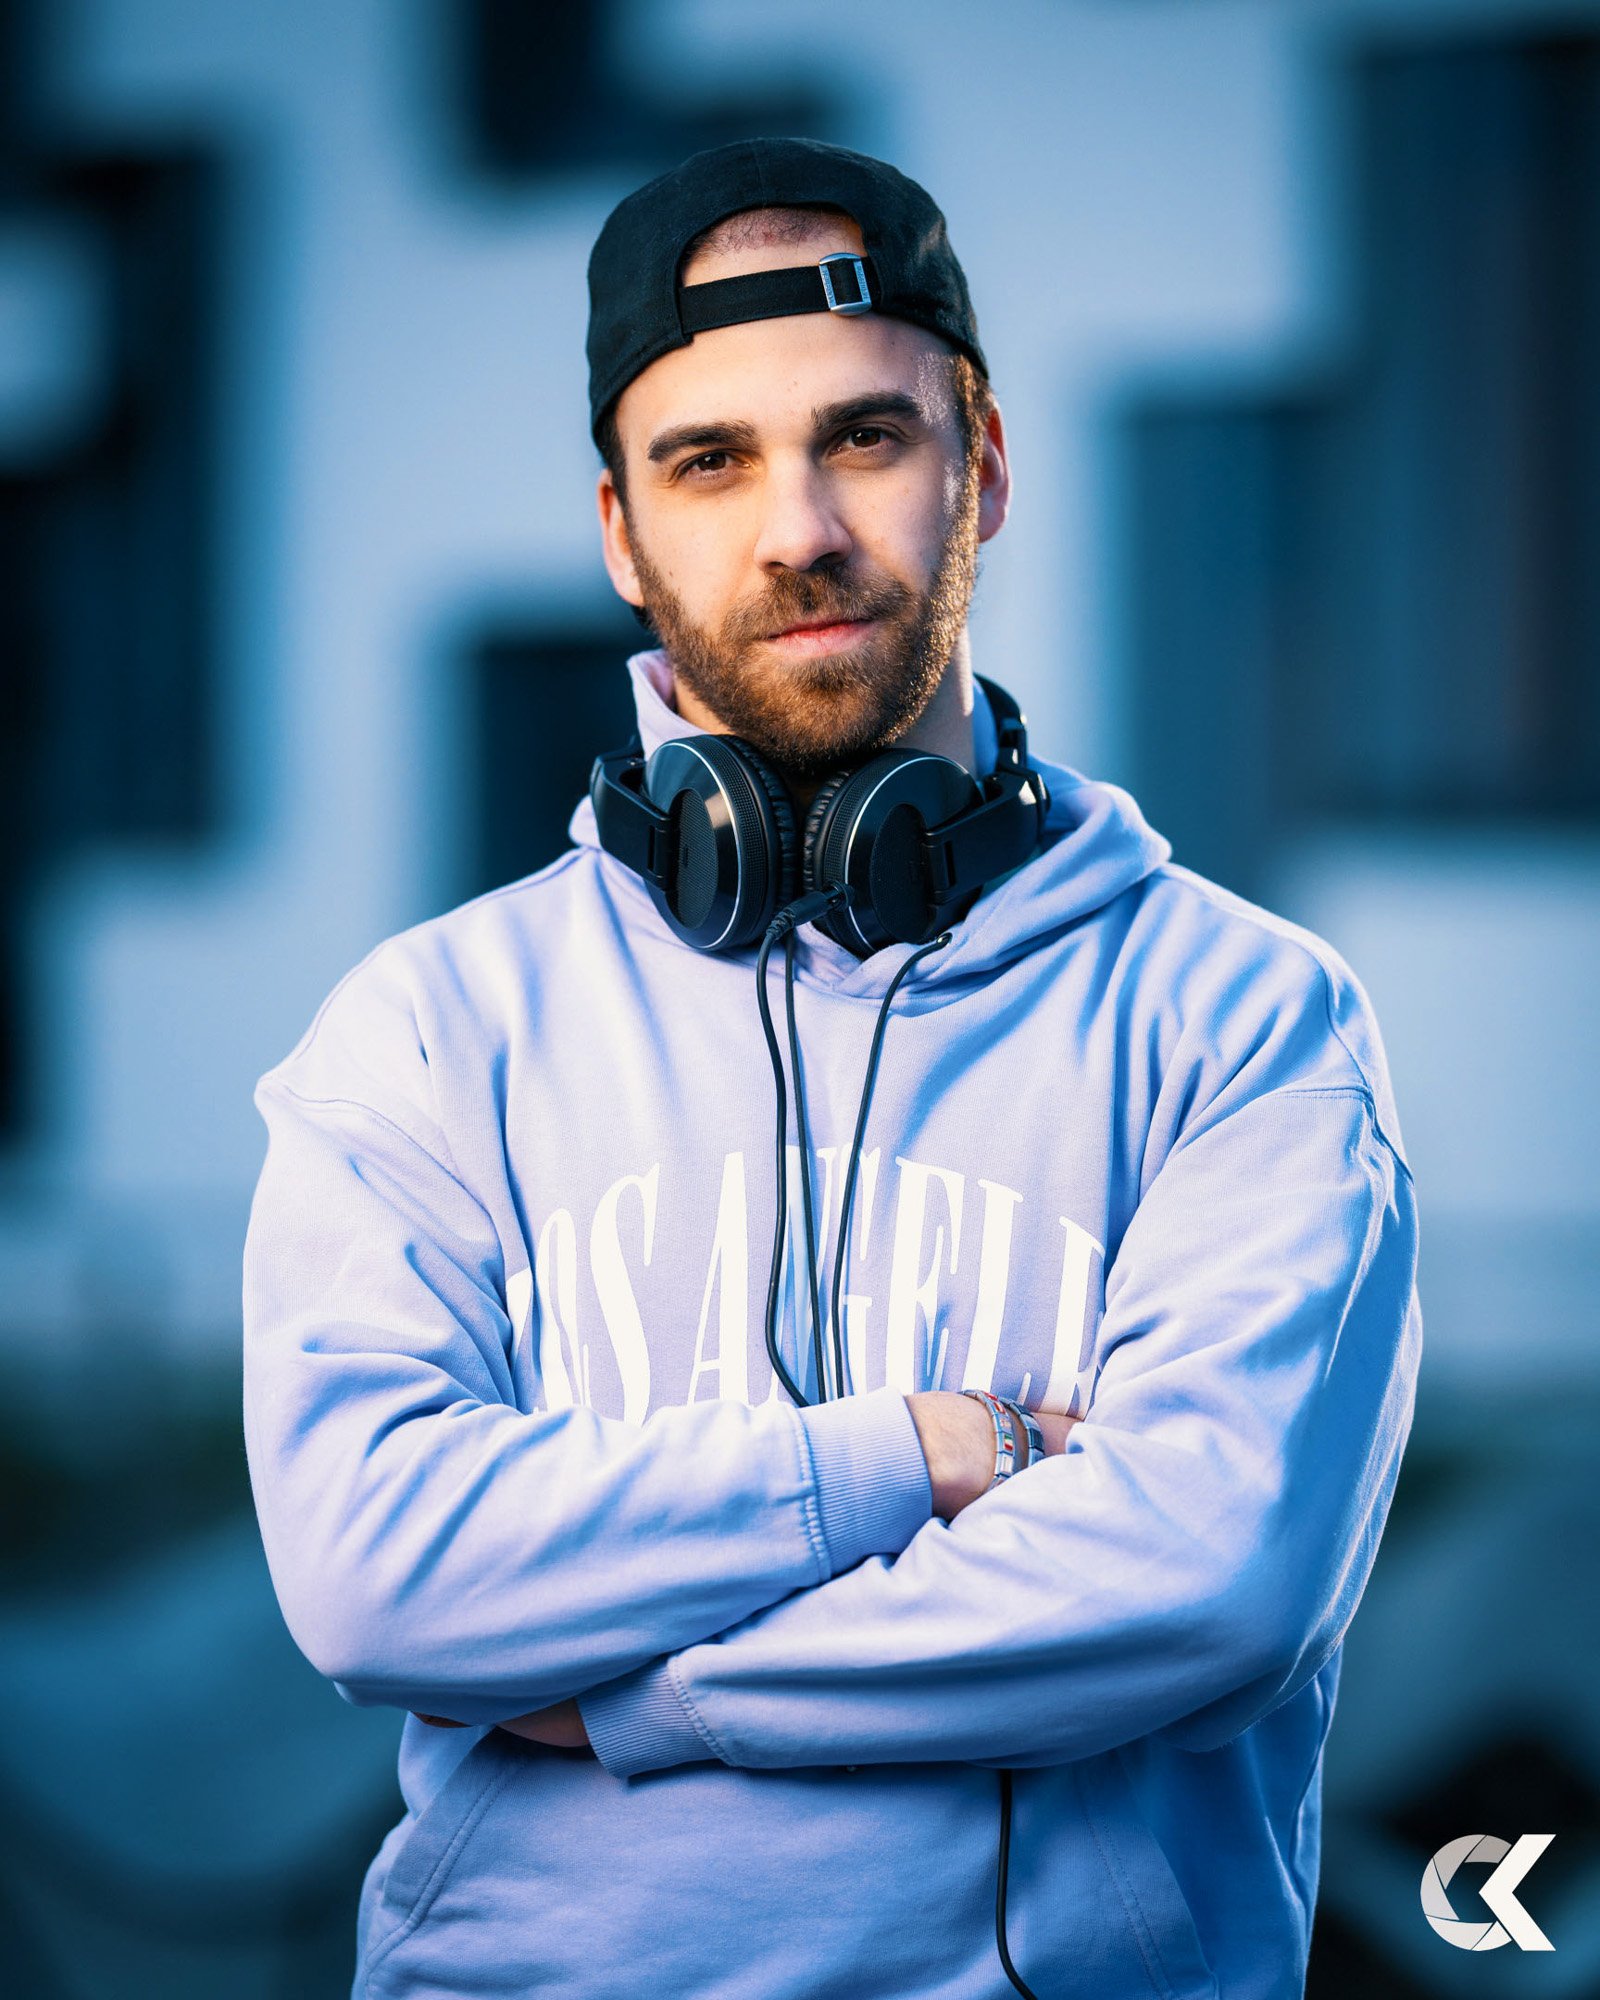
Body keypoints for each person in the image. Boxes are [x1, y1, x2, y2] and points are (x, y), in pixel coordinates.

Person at [242, 137, 1423, 2000]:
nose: (797, 527)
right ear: (622, 533)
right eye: (709, 461)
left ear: (988, 468)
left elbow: (1210, 1580)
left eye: (864, 437)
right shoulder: (421, 1035)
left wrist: (634, 1684)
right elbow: (380, 1575)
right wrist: (910, 1463)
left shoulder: (1248, 1021)